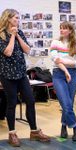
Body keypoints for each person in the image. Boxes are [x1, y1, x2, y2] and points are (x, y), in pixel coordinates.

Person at [0, 9, 50, 147]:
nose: (18, 20)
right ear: (8, 18)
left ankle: (34, 131)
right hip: (7, 75)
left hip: (21, 74)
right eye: (16, 17)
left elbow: (27, 50)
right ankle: (12, 133)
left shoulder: (19, 32)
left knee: (30, 100)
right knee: (12, 104)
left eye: (18, 17)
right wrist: (11, 36)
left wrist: (17, 36)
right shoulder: (1, 35)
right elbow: (8, 52)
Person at [50, 21, 76, 141]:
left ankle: (63, 126)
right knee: (66, 103)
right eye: (60, 28)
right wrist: (66, 70)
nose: (62, 30)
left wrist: (63, 61)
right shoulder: (55, 42)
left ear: (70, 31)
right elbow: (55, 59)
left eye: (64, 28)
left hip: (73, 75)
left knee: (68, 103)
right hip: (59, 74)